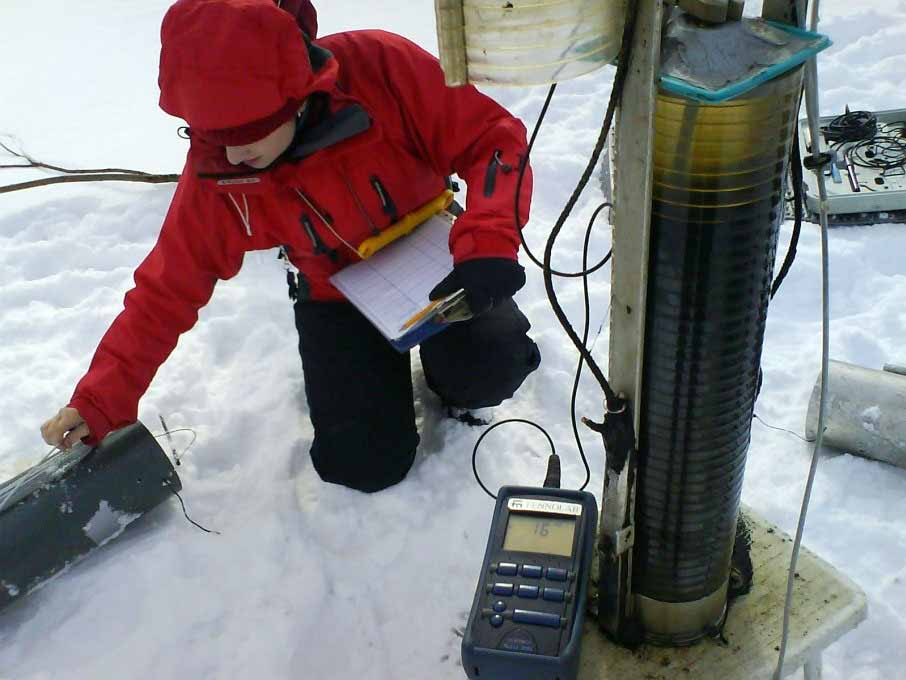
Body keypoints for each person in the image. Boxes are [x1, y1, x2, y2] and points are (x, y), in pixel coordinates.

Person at [40, 0, 540, 493]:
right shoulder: (221, 169)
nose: (235, 154)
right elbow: (165, 290)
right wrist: (100, 400)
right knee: (362, 465)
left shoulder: (380, 67)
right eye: (215, 138)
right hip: (335, 292)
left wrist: (489, 240)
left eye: (249, 135)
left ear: (297, 96)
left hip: (435, 259)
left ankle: (451, 376)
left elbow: (493, 139)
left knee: (490, 368)